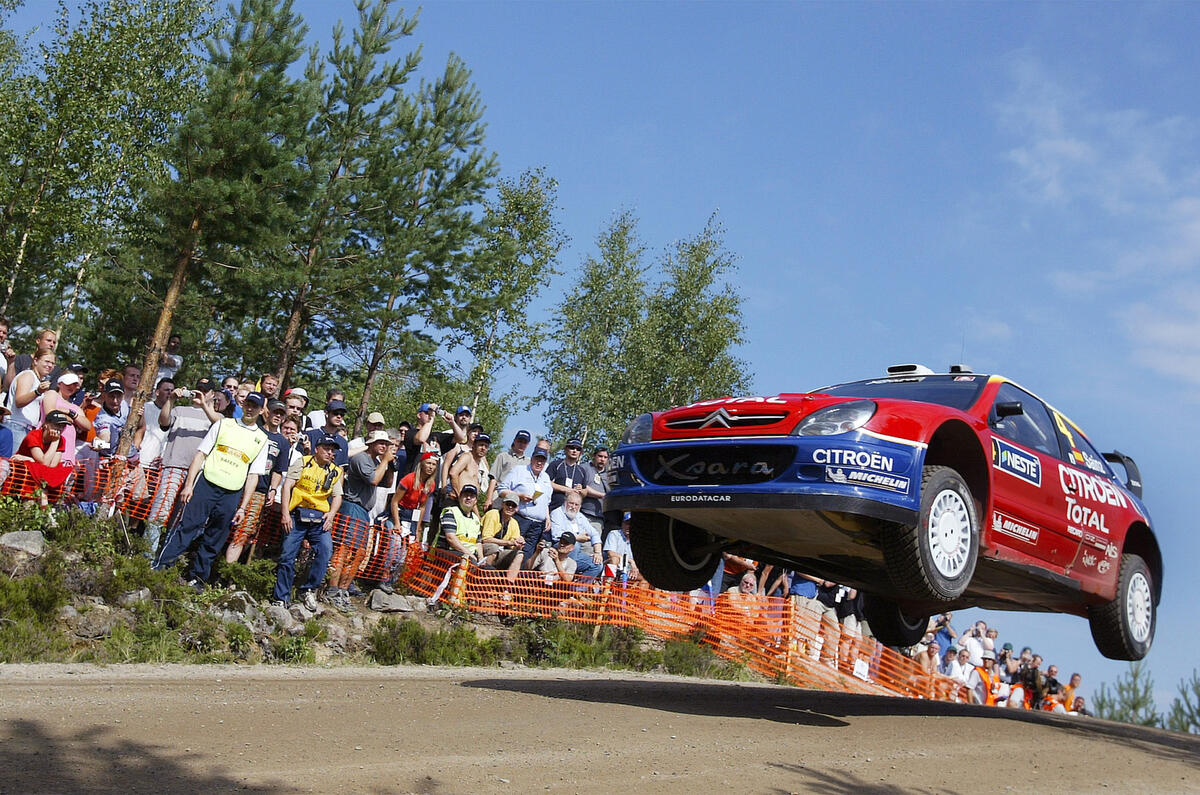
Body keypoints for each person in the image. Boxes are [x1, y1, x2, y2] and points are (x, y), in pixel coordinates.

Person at [152, 395, 270, 588]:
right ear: (243, 404)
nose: (250, 409)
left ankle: (197, 579)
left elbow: (253, 475)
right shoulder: (223, 424)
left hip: (231, 492)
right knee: (187, 526)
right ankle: (161, 567)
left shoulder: (262, 439)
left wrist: (242, 507)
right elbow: (201, 454)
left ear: (261, 411)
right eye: (248, 404)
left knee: (215, 537)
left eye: (255, 407)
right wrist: (189, 485)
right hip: (207, 483)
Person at [143, 379, 217, 559]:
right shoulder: (180, 410)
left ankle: (166, 557)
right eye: (197, 389)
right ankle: (146, 555)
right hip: (174, 465)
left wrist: (205, 406)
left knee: (181, 517)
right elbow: (164, 421)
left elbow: (218, 425)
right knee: (161, 509)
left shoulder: (217, 417)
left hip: (197, 473)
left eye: (204, 391)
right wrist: (171, 400)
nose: (199, 393)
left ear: (212, 394)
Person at [271, 434, 343, 610]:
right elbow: (287, 486)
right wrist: (285, 513)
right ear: (317, 449)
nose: (329, 453)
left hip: (320, 517)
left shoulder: (335, 471)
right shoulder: (303, 462)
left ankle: (308, 589)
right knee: (288, 554)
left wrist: (332, 514)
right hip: (297, 514)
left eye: (332, 450)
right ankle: (281, 597)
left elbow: (338, 495)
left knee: (325, 550)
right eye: (326, 448)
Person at [326, 429, 395, 607]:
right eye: (380, 443)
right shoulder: (361, 459)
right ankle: (332, 589)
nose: (384, 446)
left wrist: (390, 465)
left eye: (386, 444)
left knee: (359, 554)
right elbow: (373, 480)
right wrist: (385, 461)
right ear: (370, 443)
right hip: (352, 507)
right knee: (344, 549)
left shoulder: (375, 462)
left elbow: (386, 483)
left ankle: (343, 589)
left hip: (363, 512)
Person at [224, 393, 289, 564]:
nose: (278, 417)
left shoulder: (283, 442)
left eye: (282, 414)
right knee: (223, 524)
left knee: (244, 532)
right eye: (275, 412)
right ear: (267, 413)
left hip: (260, 490)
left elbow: (278, 470)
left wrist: (273, 490)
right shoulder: (255, 430)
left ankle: (228, 570)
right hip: (236, 483)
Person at [500, 445, 552, 558]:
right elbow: (501, 490)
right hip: (520, 519)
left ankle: (516, 576)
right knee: (511, 551)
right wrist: (519, 496)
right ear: (532, 458)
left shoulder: (546, 478)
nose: (539, 463)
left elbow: (547, 502)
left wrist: (547, 517)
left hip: (538, 525)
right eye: (537, 459)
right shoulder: (519, 470)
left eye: (542, 460)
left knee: (527, 555)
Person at [6, 346, 56, 452]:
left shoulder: (37, 380)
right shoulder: (28, 375)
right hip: (16, 426)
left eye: (52, 363)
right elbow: (19, 401)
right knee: (11, 465)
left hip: (26, 429)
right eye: (47, 361)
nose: (50, 365)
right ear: (36, 360)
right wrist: (37, 392)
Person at [548, 491, 602, 578]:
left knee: (597, 564)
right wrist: (577, 538)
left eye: (576, 505)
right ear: (565, 503)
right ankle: (564, 575)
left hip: (575, 554)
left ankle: (577, 588)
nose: (573, 507)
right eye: (571, 503)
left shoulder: (580, 517)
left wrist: (598, 553)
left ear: (580, 506)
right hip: (560, 548)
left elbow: (594, 534)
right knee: (575, 545)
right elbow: (556, 535)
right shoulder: (557, 513)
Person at [391, 450, 439, 545]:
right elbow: (394, 502)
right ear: (422, 464)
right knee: (395, 544)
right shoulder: (409, 479)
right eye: (428, 463)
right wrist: (397, 523)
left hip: (413, 515)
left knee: (410, 544)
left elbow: (422, 507)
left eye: (433, 464)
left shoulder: (431, 484)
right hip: (400, 512)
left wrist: (417, 529)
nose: (430, 467)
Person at [478, 490, 525, 582]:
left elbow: (513, 546)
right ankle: (483, 579)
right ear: (503, 504)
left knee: (519, 555)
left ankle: (507, 587)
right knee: (493, 547)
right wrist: (508, 542)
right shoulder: (493, 514)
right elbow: (485, 539)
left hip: (500, 552)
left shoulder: (514, 523)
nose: (510, 507)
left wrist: (519, 545)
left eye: (513, 505)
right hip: (482, 547)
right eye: (508, 504)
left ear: (517, 508)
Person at [435, 483, 483, 561]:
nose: (468, 498)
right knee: (470, 562)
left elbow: (478, 542)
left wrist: (481, 558)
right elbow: (451, 538)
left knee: (492, 571)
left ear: (475, 501)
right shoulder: (451, 513)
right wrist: (470, 555)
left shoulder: (476, 519)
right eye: (465, 495)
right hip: (448, 552)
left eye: (472, 496)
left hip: (468, 555)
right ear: (460, 497)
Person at [449, 432, 493, 508]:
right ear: (474, 445)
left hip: (468, 504)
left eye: (486, 446)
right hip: (455, 501)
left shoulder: (482, 465)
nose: (483, 448)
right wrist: (459, 495)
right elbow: (453, 473)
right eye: (481, 445)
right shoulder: (467, 457)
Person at [546, 437, 588, 511]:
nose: (575, 451)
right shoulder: (556, 464)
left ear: (580, 453)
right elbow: (545, 482)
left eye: (578, 449)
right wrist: (566, 490)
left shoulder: (581, 470)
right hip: (555, 507)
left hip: (572, 511)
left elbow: (585, 492)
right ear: (565, 449)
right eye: (572, 448)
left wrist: (580, 490)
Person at [305, 398, 348, 466]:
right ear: (327, 413)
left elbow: (341, 468)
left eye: (342, 414)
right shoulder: (310, 435)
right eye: (335, 413)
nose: (339, 416)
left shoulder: (343, 442)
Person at [580, 446, 609, 541]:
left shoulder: (608, 474)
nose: (602, 459)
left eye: (605, 457)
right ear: (594, 456)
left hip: (599, 518)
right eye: (600, 456)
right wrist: (602, 495)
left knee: (593, 547)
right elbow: (583, 487)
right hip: (583, 514)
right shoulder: (585, 468)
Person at [603, 512, 640, 582]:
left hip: (629, 569)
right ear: (622, 524)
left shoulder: (638, 539)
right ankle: (607, 589)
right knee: (614, 559)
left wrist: (635, 567)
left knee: (646, 577)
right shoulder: (614, 534)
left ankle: (636, 593)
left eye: (631, 524)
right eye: (627, 523)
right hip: (614, 566)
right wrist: (631, 561)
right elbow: (611, 553)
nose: (629, 526)